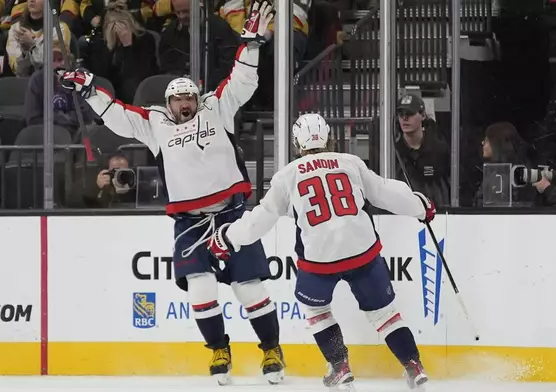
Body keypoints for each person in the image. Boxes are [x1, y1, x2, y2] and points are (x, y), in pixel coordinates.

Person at [61, 1, 285, 386]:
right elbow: (117, 114)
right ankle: (218, 348)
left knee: (250, 289)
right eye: (178, 100)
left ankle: (270, 349)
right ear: (168, 103)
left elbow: (243, 81)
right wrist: (89, 90)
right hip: (190, 222)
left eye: (189, 99)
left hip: (232, 217)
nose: (185, 105)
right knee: (200, 290)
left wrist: (250, 44)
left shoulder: (217, 108)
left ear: (197, 99)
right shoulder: (155, 124)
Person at [207, 113, 436, 391]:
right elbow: (386, 192)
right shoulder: (350, 163)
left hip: (319, 260)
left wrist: (228, 236)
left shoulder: (287, 175)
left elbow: (260, 219)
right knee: (385, 315)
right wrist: (420, 207)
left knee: (317, 310)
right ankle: (414, 365)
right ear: (330, 137)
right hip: (362, 251)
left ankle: (339, 366)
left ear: (296, 143)